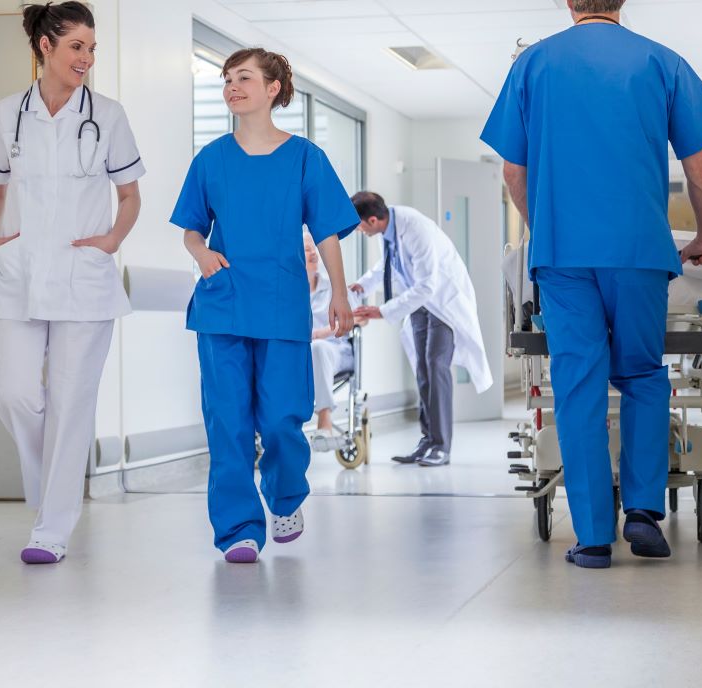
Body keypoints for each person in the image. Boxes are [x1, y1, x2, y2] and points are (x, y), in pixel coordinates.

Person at [480, 0, 702, 569]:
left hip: (564, 257)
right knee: (642, 375)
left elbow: (513, 171)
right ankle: (643, 511)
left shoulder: (532, 64)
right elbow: (700, 168)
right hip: (640, 252)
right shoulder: (662, 62)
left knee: (578, 385)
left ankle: (593, 537)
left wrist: (547, 230)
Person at [170, 48, 358, 563]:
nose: (232, 87)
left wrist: (339, 292)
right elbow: (191, 228)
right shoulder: (211, 159)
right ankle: (238, 529)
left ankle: (285, 496)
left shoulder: (305, 158)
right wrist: (201, 253)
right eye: (227, 79)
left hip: (280, 306)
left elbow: (327, 231)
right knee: (227, 422)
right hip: (223, 304)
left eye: (244, 78)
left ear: (273, 89)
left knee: (280, 419)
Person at [0, 1, 145, 565]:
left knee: (71, 405)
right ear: (45, 46)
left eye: (91, 48)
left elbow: (129, 194)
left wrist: (112, 240)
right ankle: (51, 490)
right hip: (20, 273)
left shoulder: (108, 115)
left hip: (83, 277)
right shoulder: (9, 113)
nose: (86, 58)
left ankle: (51, 529)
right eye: (76, 46)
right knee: (15, 393)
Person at [349, 193, 492, 467]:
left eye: (359, 226)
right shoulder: (387, 231)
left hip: (441, 302)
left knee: (436, 366)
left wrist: (383, 311)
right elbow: (387, 265)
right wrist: (363, 285)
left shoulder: (415, 228)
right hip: (418, 303)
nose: (358, 230)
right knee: (423, 370)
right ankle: (427, 440)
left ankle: (441, 446)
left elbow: (428, 285)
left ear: (373, 220)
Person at [305, 231, 363, 452]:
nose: (312, 253)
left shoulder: (333, 287)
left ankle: (325, 421)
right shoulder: (289, 292)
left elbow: (359, 318)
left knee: (318, 348)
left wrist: (322, 333)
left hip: (335, 351)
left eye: (313, 248)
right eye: (306, 249)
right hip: (301, 356)